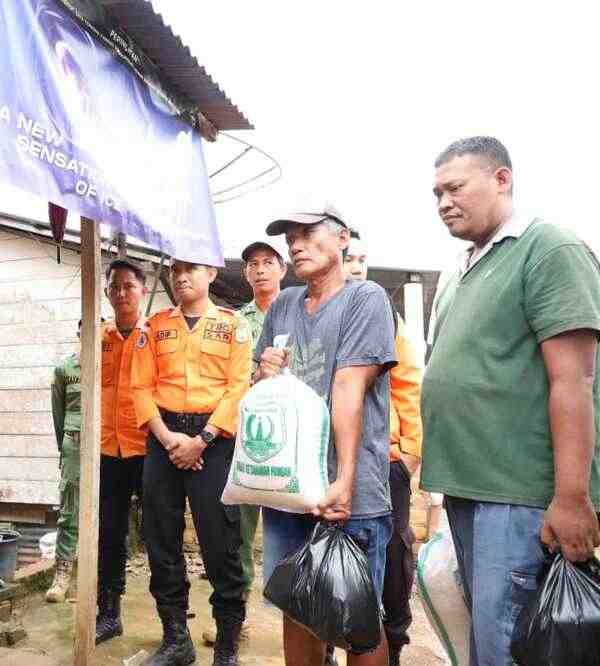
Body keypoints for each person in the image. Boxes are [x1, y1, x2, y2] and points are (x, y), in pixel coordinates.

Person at [422, 136, 600, 665]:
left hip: (519, 494)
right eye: (436, 194)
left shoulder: (549, 248)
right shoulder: (464, 266)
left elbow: (574, 382)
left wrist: (570, 498)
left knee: (507, 644)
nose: (443, 203)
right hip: (468, 486)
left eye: (454, 188)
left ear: (502, 179)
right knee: (489, 639)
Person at [253, 204, 397, 666]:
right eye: (290, 236)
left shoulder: (366, 299)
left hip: (347, 490)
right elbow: (261, 386)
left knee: (358, 617)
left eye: (308, 232)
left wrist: (346, 480)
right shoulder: (285, 304)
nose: (295, 244)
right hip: (288, 489)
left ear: (342, 239)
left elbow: (349, 385)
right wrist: (265, 371)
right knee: (297, 609)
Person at [132, 258, 252, 666]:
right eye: (176, 269)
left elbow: (238, 388)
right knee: (162, 539)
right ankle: (176, 641)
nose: (182, 276)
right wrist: (169, 440)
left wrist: (201, 440)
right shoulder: (155, 326)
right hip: (163, 438)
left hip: (213, 440)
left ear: (212, 274)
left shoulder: (234, 326)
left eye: (193, 268)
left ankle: (227, 648)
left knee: (221, 543)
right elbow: (140, 388)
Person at [344, 229, 424, 666]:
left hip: (386, 460)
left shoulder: (387, 316)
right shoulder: (323, 311)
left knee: (393, 554)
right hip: (336, 460)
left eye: (361, 258)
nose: (356, 266)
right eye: (348, 258)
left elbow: (410, 385)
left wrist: (409, 450)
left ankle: (392, 643)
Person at [202, 240, 287, 648]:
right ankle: (238, 617)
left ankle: (305, 621)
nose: (259, 270)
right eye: (252, 264)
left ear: (282, 270)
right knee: (238, 530)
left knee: (297, 531)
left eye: (268, 263)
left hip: (293, 437)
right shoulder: (237, 322)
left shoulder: (301, 310)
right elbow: (227, 378)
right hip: (248, 436)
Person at [95, 259, 150, 644]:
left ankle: (173, 621)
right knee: (109, 535)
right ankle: (108, 612)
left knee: (161, 535)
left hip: (149, 448)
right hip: (106, 451)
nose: (121, 293)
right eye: (114, 287)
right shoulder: (99, 338)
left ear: (143, 290)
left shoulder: (156, 335)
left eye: (128, 286)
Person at [46, 320, 84, 602]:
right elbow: (57, 414)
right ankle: (62, 573)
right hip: (74, 443)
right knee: (69, 511)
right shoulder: (65, 369)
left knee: (109, 512)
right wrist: (65, 448)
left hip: (108, 446)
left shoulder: (112, 365)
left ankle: (103, 576)